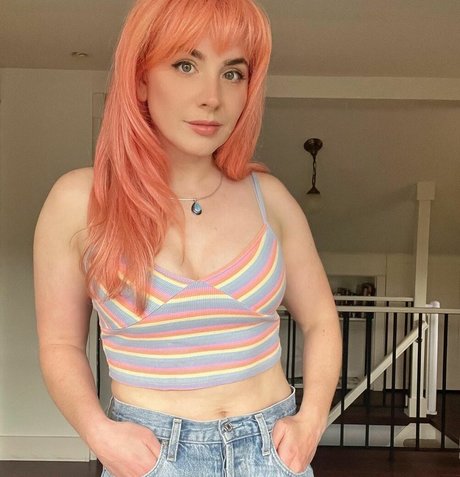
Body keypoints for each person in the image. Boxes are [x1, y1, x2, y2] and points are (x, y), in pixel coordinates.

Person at [33, 0, 342, 476]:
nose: (212, 97)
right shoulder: (79, 201)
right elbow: (59, 344)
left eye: (232, 73)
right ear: (140, 79)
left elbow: (321, 319)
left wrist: (312, 421)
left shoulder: (270, 199)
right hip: (151, 457)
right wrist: (98, 432)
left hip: (272, 454)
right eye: (185, 65)